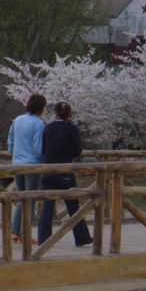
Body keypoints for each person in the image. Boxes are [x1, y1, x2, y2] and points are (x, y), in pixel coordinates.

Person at [38, 102, 93, 246]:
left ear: (55, 112)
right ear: (69, 113)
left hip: (48, 170)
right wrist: (68, 155)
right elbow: (77, 150)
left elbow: (42, 150)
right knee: (73, 205)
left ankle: (44, 239)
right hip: (65, 170)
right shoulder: (72, 128)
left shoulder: (48, 128)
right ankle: (82, 238)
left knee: (48, 206)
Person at [8, 94, 46, 243]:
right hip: (32, 164)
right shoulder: (38, 124)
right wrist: (43, 160)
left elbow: (10, 143)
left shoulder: (17, 120)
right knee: (30, 199)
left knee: (22, 197)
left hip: (17, 163)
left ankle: (14, 231)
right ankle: (24, 234)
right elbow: (37, 148)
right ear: (41, 108)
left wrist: (16, 154)